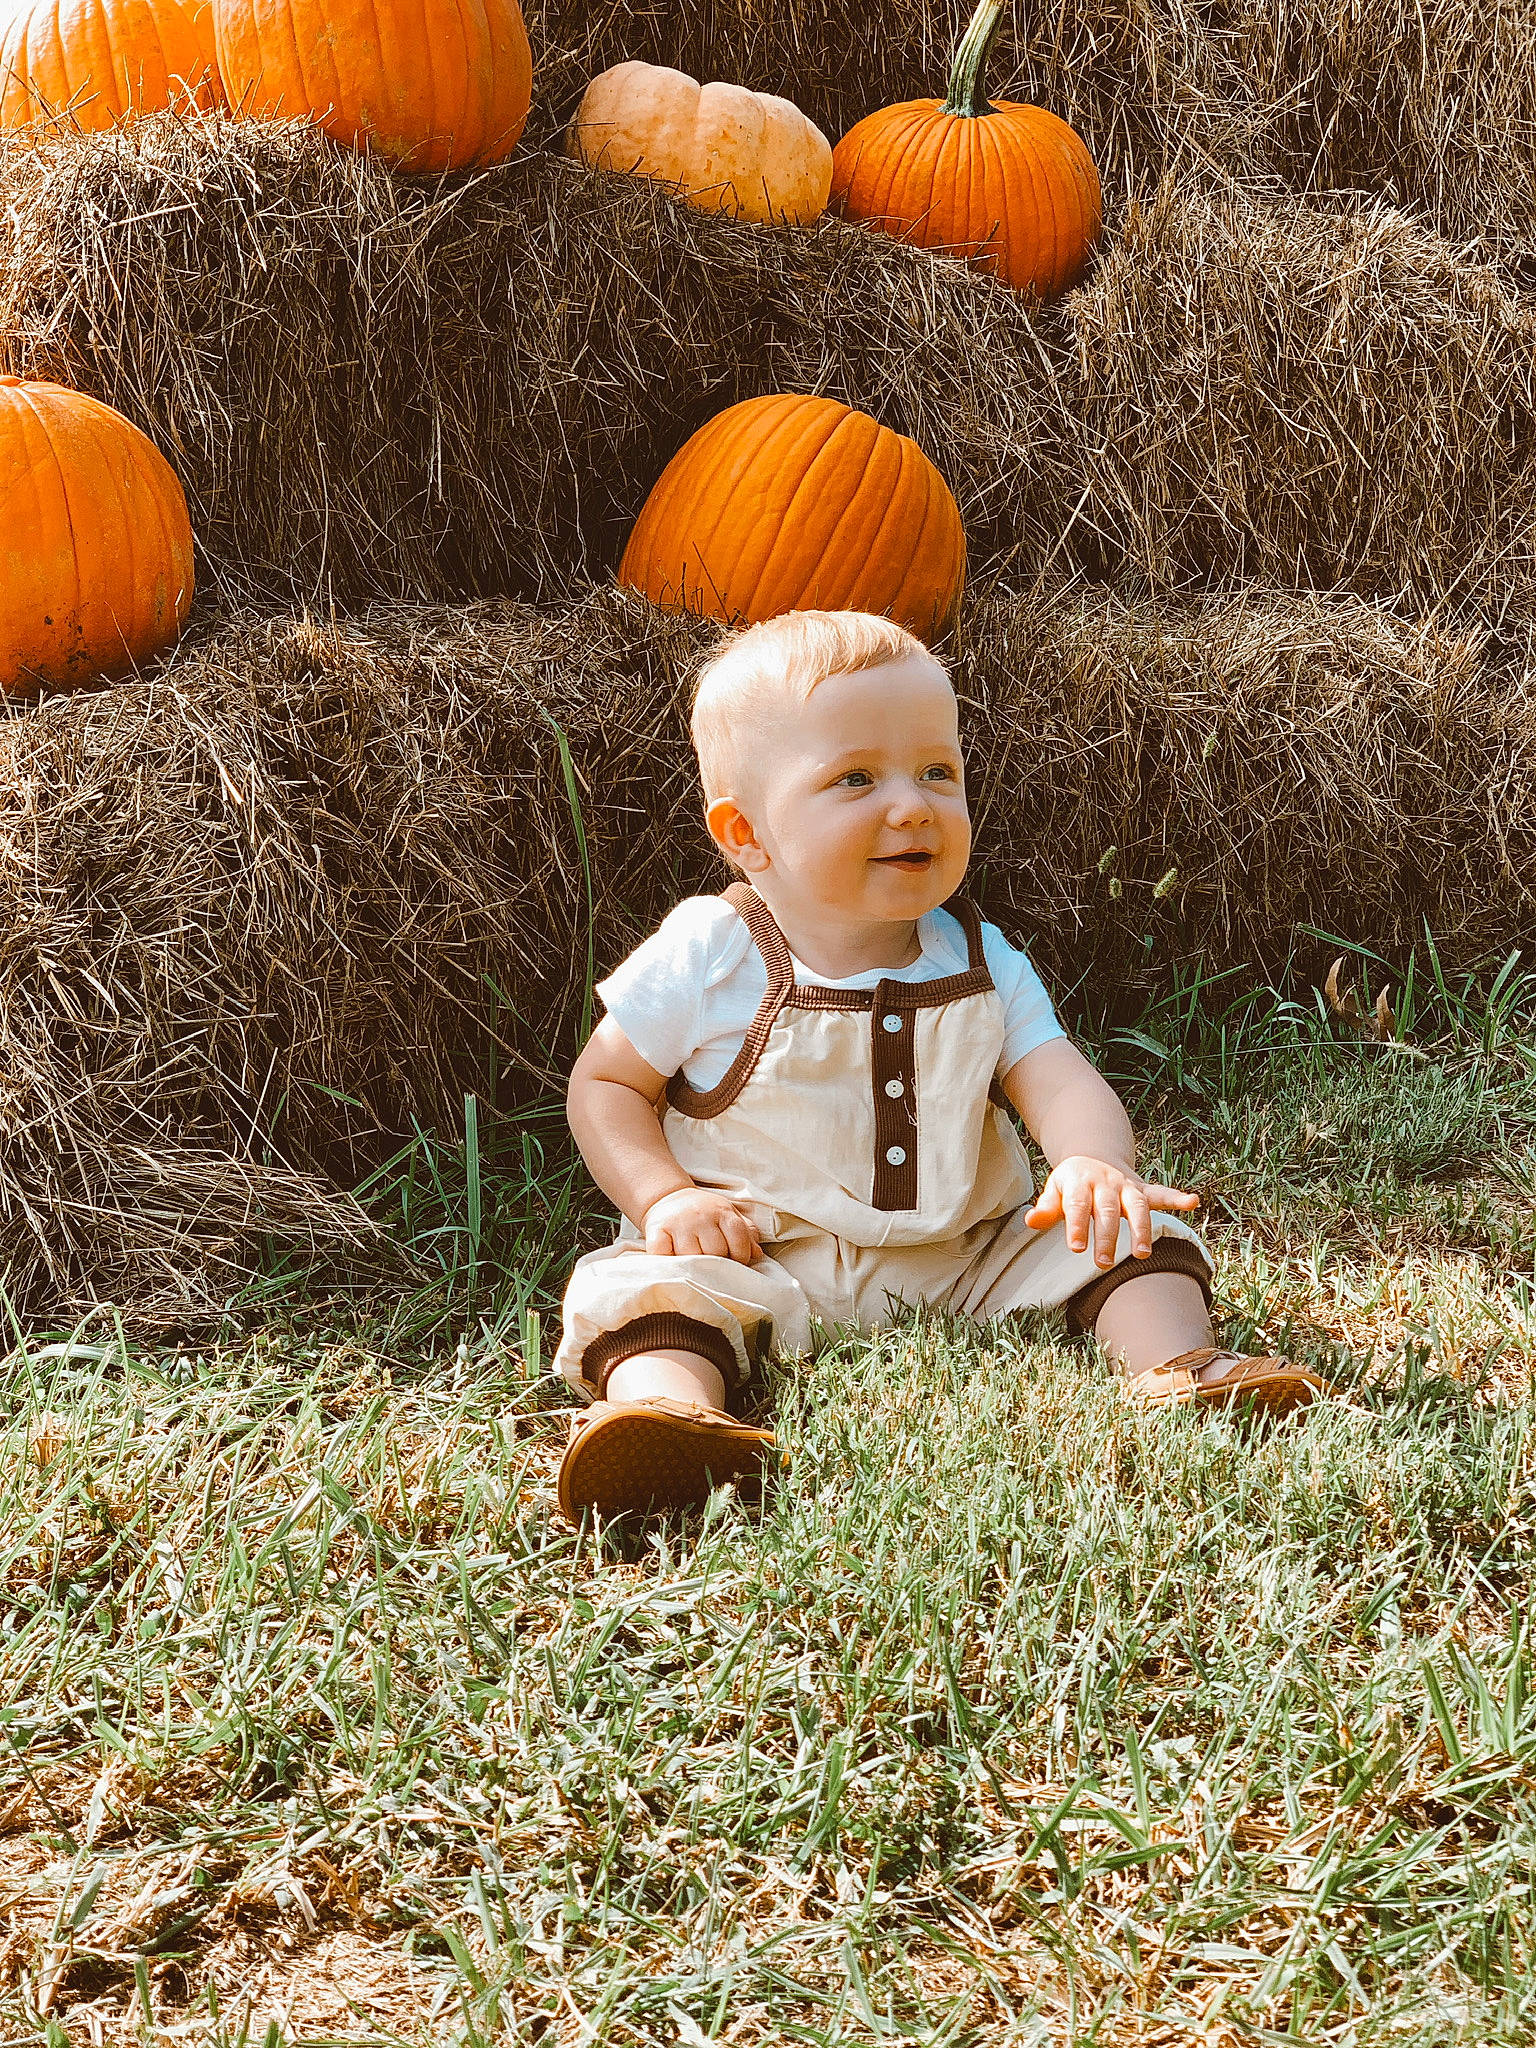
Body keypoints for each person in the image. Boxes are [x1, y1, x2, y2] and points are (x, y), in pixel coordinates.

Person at [553, 610, 1333, 1521]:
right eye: (855, 778)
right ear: (746, 833)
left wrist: (1091, 1163)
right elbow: (605, 1086)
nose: (913, 803)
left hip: (967, 1254)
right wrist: (664, 1199)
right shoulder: (710, 953)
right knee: (650, 1289)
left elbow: (1056, 1072)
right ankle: (668, 1414)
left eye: (938, 771)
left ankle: (1179, 1367)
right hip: (759, 1255)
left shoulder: (978, 955)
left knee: (1128, 1235)